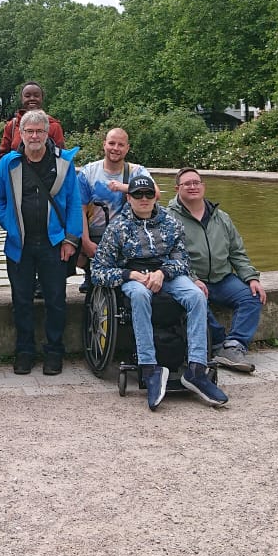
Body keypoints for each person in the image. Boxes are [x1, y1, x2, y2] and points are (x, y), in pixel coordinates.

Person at [92, 172, 229, 411]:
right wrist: (130, 275)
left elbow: (182, 260)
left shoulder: (171, 222)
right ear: (129, 198)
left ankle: (197, 369)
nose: (144, 199)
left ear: (155, 197)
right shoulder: (117, 228)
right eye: (138, 195)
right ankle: (149, 367)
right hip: (134, 275)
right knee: (139, 295)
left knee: (196, 296)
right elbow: (98, 270)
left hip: (166, 274)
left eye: (148, 194)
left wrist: (162, 273)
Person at [0, 109, 81, 375]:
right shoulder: (8, 163)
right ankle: (24, 351)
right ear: (21, 133)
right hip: (19, 244)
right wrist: (10, 226)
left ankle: (54, 352)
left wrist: (70, 239)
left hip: (53, 243)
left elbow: (74, 203)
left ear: (47, 133)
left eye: (39, 131)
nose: (34, 136)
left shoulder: (63, 163)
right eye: (29, 131)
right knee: (21, 300)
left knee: (56, 299)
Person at [168, 167, 267, 372]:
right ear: (177, 189)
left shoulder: (221, 217)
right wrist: (192, 278)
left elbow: (237, 252)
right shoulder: (168, 218)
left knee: (252, 296)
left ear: (203, 186)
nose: (193, 187)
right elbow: (169, 255)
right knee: (195, 300)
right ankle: (219, 343)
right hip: (191, 279)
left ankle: (234, 345)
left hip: (222, 278)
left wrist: (251, 278)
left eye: (196, 182)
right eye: (187, 184)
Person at [77, 127, 148, 291]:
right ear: (104, 144)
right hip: (96, 232)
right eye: (111, 143)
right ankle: (89, 271)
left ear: (127, 148)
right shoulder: (88, 172)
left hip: (127, 234)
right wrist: (85, 242)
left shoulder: (137, 171)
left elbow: (154, 193)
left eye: (121, 145)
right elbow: (79, 209)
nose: (115, 148)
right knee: (71, 243)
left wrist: (124, 187)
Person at [0, 83, 65, 154]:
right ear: (22, 99)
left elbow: (61, 155)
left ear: (42, 98)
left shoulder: (54, 126)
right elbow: (3, 154)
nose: (32, 98)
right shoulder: (12, 126)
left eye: (36, 96)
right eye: (27, 96)